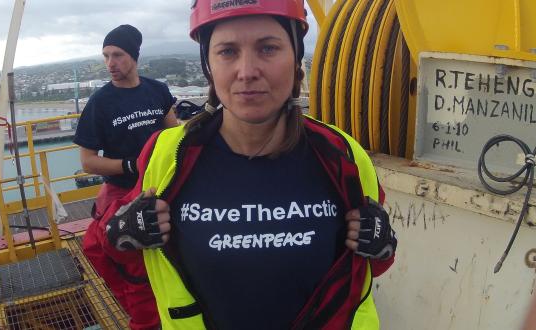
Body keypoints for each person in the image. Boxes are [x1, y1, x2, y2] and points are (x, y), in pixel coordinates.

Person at [97, 2, 397, 329]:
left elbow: (367, 267)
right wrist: (120, 230)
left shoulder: (342, 155)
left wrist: (381, 247)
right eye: (227, 51)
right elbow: (122, 253)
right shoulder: (169, 154)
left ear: (296, 58)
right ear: (208, 64)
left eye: (268, 48)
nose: (247, 70)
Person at [73, 24, 177, 330]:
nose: (110, 63)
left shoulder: (156, 90)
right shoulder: (100, 104)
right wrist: (130, 166)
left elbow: (173, 134)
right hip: (122, 190)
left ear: (133, 56)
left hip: (157, 188)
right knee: (97, 247)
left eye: (117, 55)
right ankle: (137, 306)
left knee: (135, 260)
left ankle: (146, 318)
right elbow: (89, 162)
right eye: (106, 56)